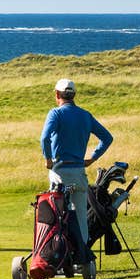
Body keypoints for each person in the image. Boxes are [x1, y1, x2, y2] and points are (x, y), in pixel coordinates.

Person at [40, 78, 113, 262]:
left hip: (59, 173)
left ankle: (58, 255)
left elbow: (44, 139)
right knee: (80, 216)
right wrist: (92, 158)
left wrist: (48, 159)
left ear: (57, 94)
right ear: (74, 95)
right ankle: (81, 256)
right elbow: (107, 138)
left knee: (57, 217)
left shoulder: (55, 114)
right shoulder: (85, 115)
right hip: (79, 173)